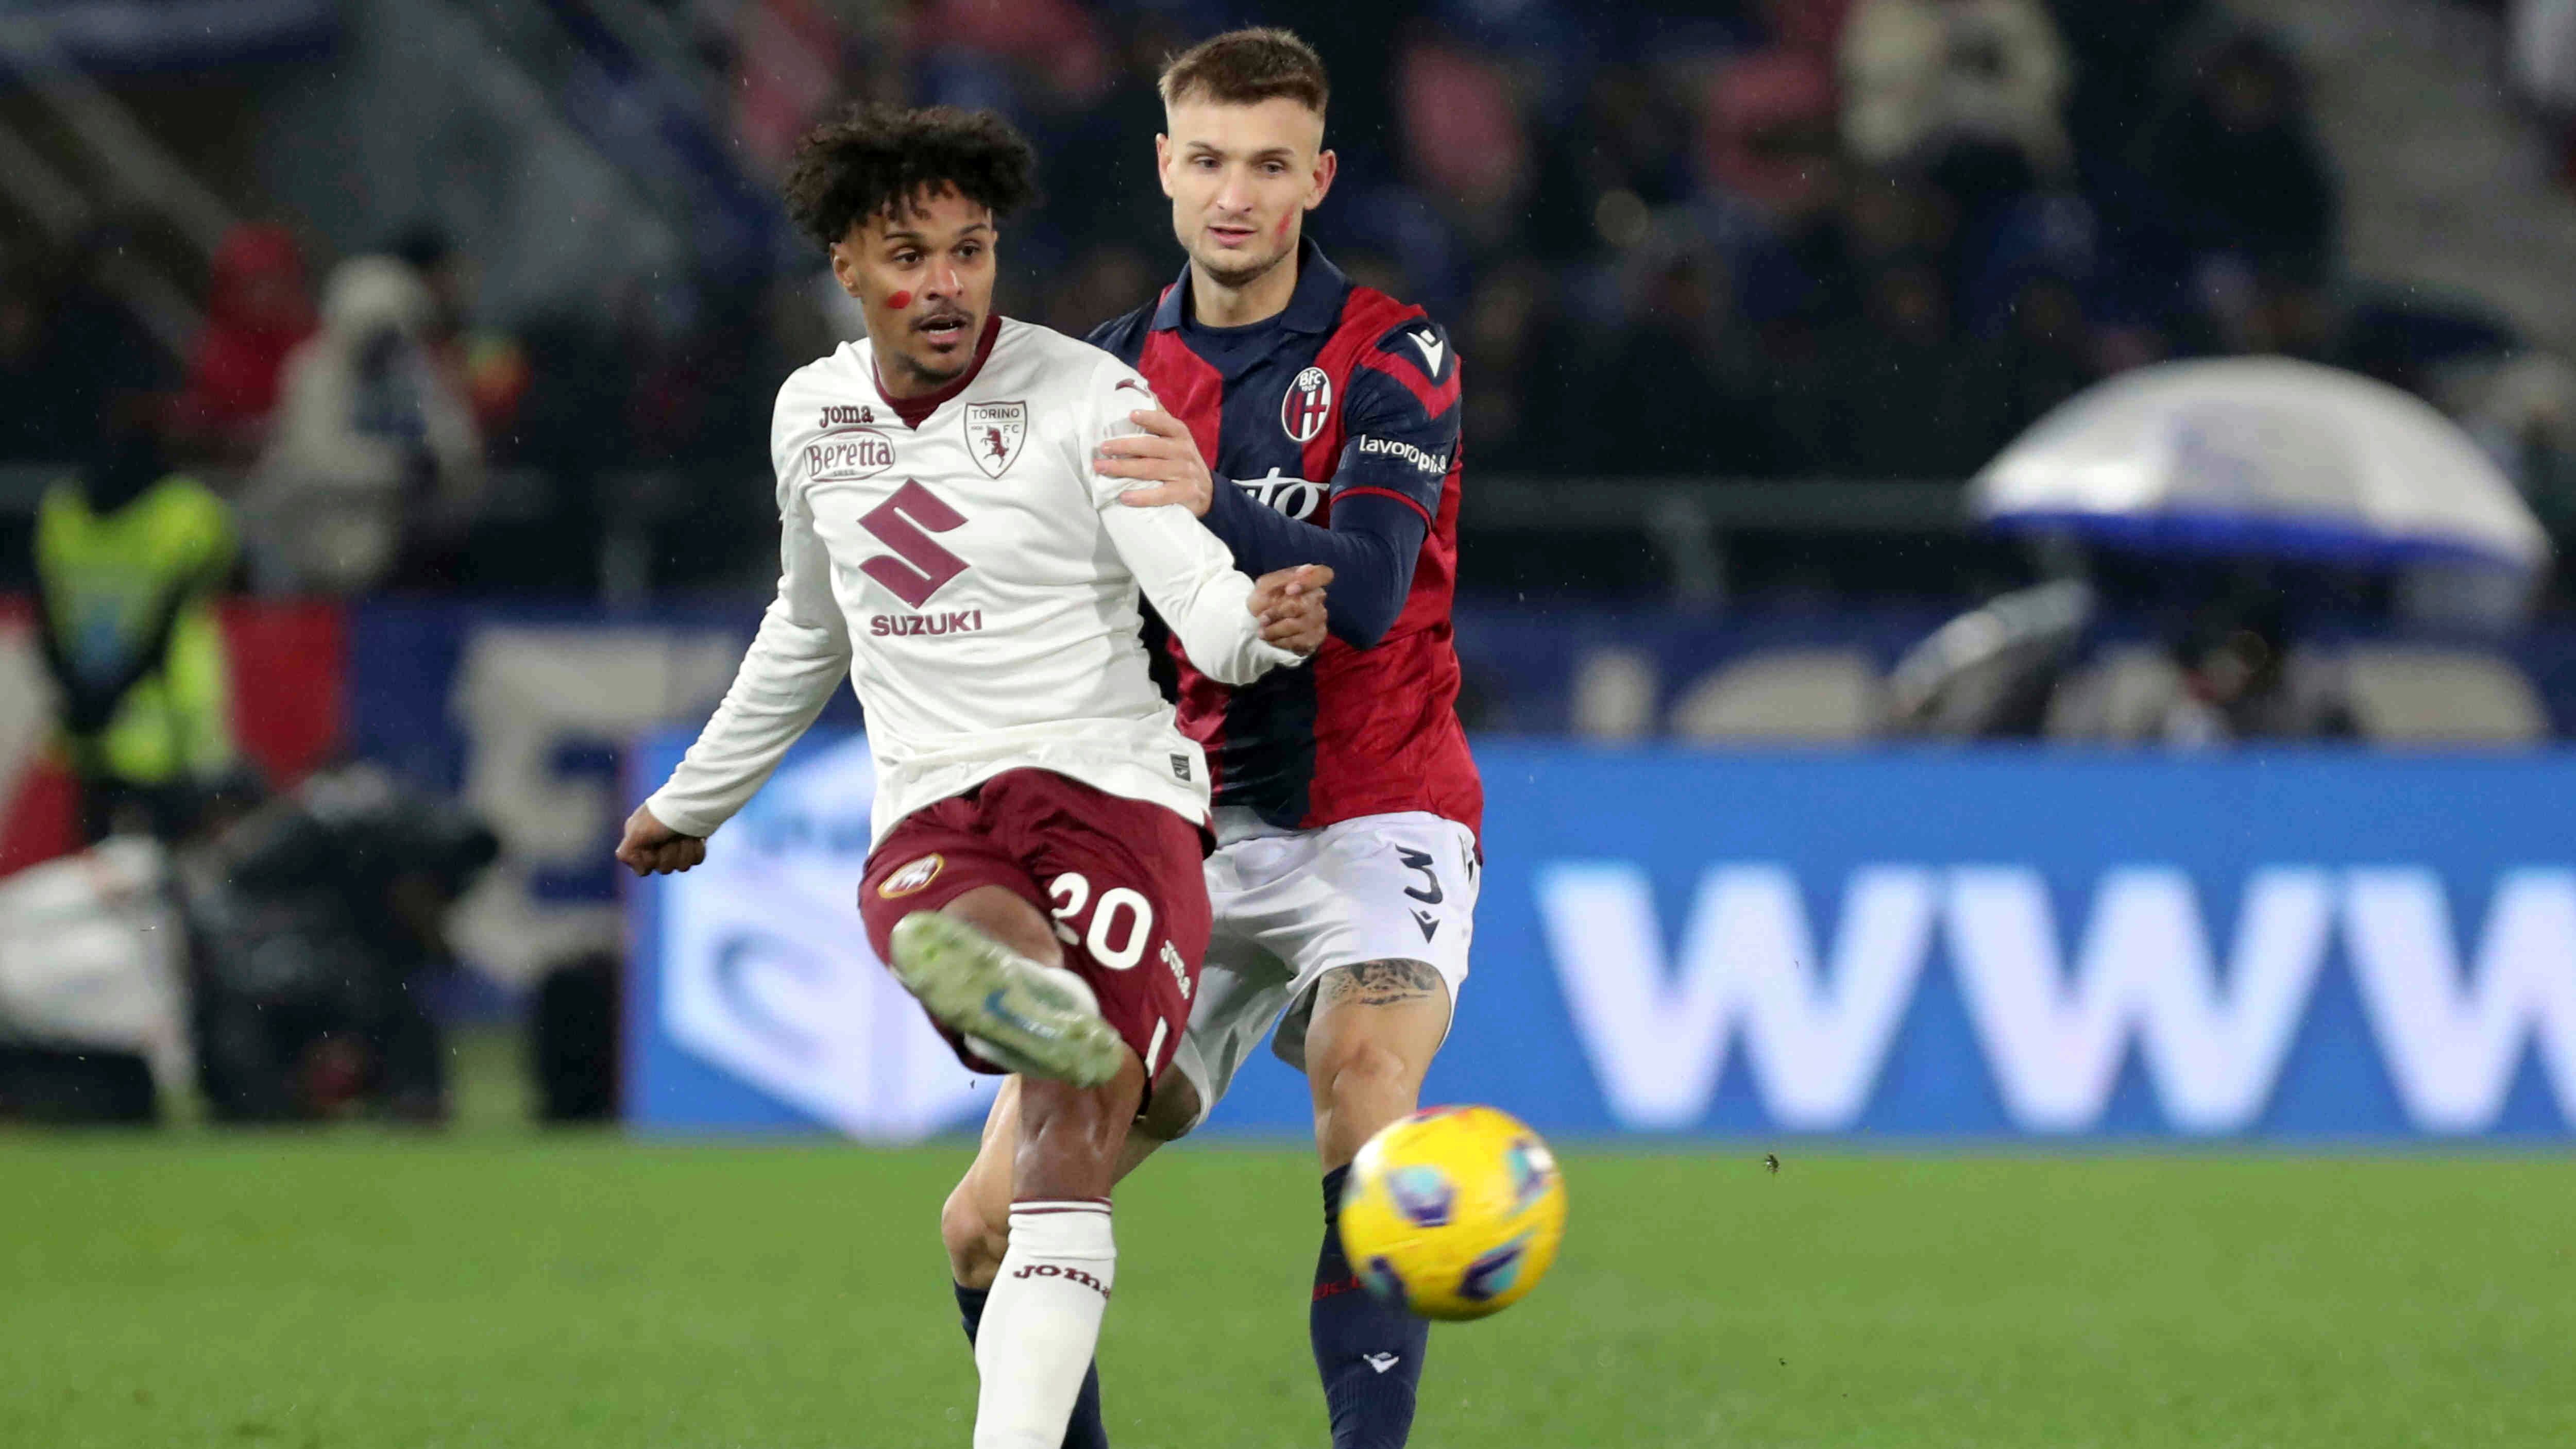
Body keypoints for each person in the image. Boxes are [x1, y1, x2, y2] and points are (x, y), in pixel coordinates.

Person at [610, 103, 1331, 1449]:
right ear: (846, 265)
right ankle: (1059, 1015)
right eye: (909, 257)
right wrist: (691, 802)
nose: (946, 284)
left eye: (971, 250)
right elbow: (809, 628)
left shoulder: (1088, 395)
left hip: (1113, 794)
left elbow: (1196, 594)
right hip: (937, 802)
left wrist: (1259, 624)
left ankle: (1064, 1026)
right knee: (1009, 1049)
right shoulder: (812, 415)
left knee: (1053, 1146)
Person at [938, 29, 1482, 1449]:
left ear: (1320, 179)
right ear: (1166, 169)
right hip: (1186, 835)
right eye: (1211, 162)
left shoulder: (1396, 354)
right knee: (989, 1224)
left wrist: (1211, 504)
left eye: (1270, 165)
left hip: (1378, 811)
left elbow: (1369, 589)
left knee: (1363, 1076)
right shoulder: (1102, 377)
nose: (1237, 195)